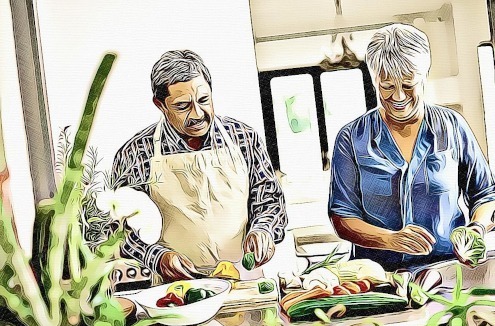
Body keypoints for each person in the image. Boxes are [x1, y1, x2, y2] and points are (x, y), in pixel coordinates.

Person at [328, 24, 495, 271]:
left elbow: (486, 196)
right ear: (374, 80)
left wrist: (476, 228)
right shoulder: (351, 138)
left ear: (424, 76)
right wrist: (390, 240)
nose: (398, 97)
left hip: (447, 272)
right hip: (377, 278)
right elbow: (342, 217)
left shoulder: (452, 126)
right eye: (386, 86)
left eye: (408, 85)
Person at [110, 50, 287, 281]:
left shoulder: (244, 138)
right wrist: (156, 257)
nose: (198, 113)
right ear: (160, 105)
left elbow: (269, 200)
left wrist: (263, 230)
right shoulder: (135, 152)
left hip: (244, 278)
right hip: (175, 288)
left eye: (204, 100)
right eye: (182, 105)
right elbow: (121, 228)